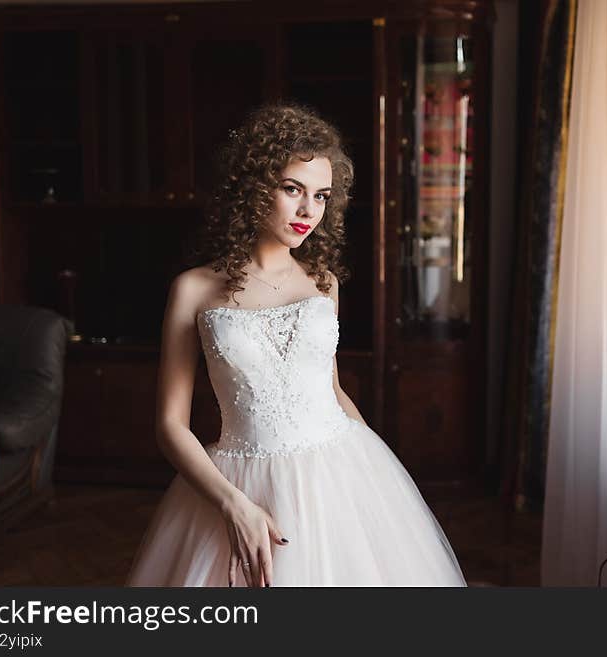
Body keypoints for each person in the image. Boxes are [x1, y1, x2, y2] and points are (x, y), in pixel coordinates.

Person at [126, 103, 466, 587]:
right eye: (293, 189)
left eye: (322, 196)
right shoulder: (194, 290)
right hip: (241, 482)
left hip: (337, 466)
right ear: (254, 187)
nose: (309, 211)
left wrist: (372, 475)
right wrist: (233, 505)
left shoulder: (323, 283)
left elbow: (331, 391)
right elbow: (169, 424)